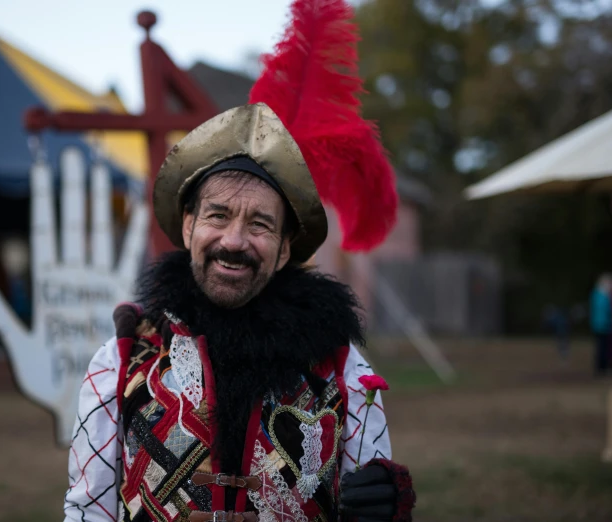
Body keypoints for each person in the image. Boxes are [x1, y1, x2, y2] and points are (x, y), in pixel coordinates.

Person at [64, 1, 414, 521]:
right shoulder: (119, 363)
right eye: (218, 216)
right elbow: (88, 512)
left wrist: (387, 505)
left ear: (285, 249)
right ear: (187, 227)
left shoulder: (345, 370)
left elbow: (368, 495)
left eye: (260, 224)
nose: (234, 240)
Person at [590, 273, 612, 375]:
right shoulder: (603, 296)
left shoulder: (596, 294)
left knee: (602, 347)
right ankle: (602, 368)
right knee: (603, 348)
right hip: (603, 325)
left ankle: (601, 368)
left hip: (598, 324)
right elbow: (607, 309)